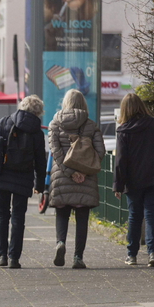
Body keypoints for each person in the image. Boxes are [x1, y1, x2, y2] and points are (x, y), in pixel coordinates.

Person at [0, 95, 47, 269]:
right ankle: (14, 258)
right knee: (19, 218)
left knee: (2, 215)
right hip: (23, 179)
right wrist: (39, 185)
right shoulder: (37, 133)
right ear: (37, 112)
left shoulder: (4, 122)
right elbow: (41, 161)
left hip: (2, 175)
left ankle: (1, 256)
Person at [47, 89, 106, 269]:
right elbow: (100, 152)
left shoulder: (54, 124)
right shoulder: (90, 125)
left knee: (62, 213)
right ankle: (78, 257)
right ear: (83, 103)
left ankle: (60, 242)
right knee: (82, 218)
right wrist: (83, 171)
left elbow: (55, 152)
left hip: (61, 176)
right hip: (85, 179)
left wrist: (68, 171)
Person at [113, 92, 154, 267]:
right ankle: (152, 253)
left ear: (124, 110)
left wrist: (118, 185)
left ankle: (132, 255)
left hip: (133, 181)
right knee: (152, 214)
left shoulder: (123, 130)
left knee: (134, 216)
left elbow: (120, 160)